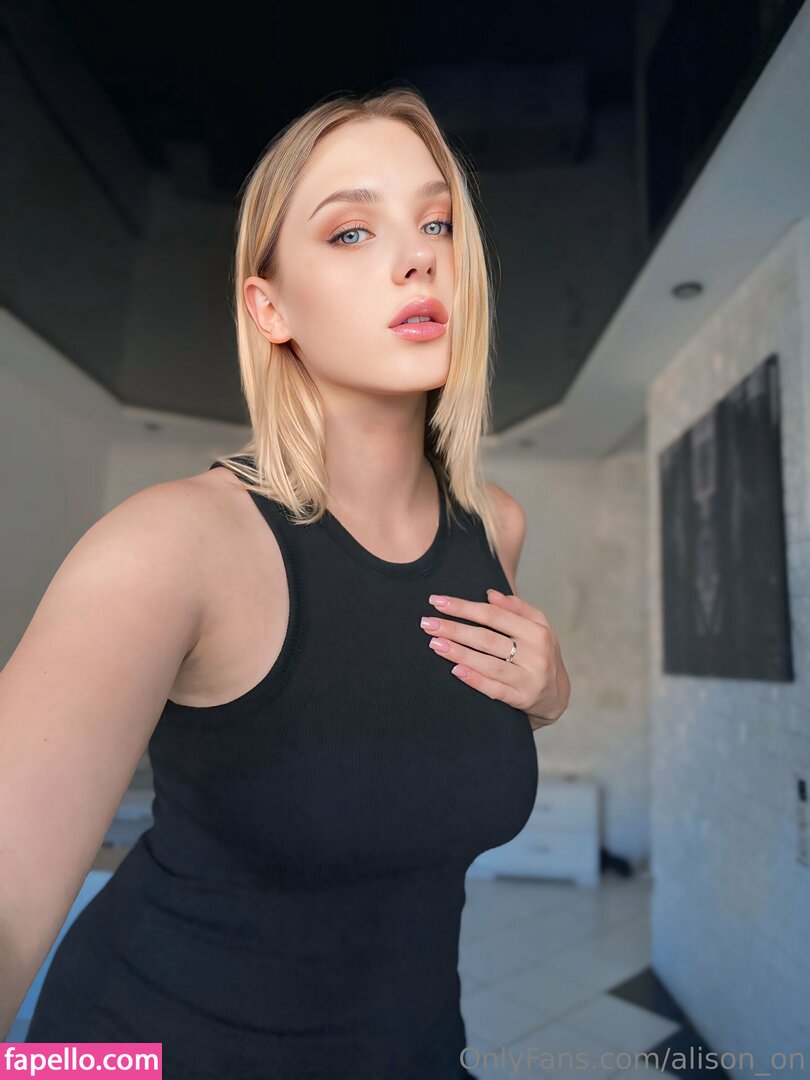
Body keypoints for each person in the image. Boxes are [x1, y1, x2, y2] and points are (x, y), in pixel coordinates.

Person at [2, 86, 570, 1078]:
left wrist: (551, 694)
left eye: (437, 222)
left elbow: (410, 738)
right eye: (351, 231)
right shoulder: (171, 544)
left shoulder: (497, 528)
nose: (418, 256)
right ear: (269, 309)